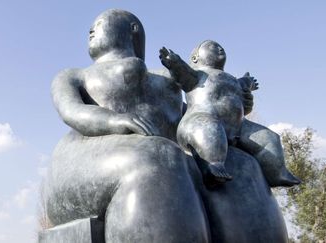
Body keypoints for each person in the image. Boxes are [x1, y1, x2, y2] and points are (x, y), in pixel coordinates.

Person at [45, 9, 289, 243]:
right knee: (157, 155)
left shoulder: (164, 78)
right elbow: (72, 111)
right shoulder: (74, 75)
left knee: (241, 164)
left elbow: (195, 115)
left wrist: (235, 104)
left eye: (98, 24)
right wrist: (115, 120)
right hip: (85, 157)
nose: (90, 30)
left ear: (133, 29)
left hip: (169, 158)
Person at [159, 41, 300, 188]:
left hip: (238, 126)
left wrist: (249, 85)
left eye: (220, 46)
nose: (219, 48)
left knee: (269, 138)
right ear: (195, 58)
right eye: (212, 46)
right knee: (209, 130)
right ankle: (212, 165)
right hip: (201, 119)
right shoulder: (197, 75)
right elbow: (182, 73)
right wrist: (175, 63)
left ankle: (277, 172)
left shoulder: (233, 80)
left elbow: (245, 94)